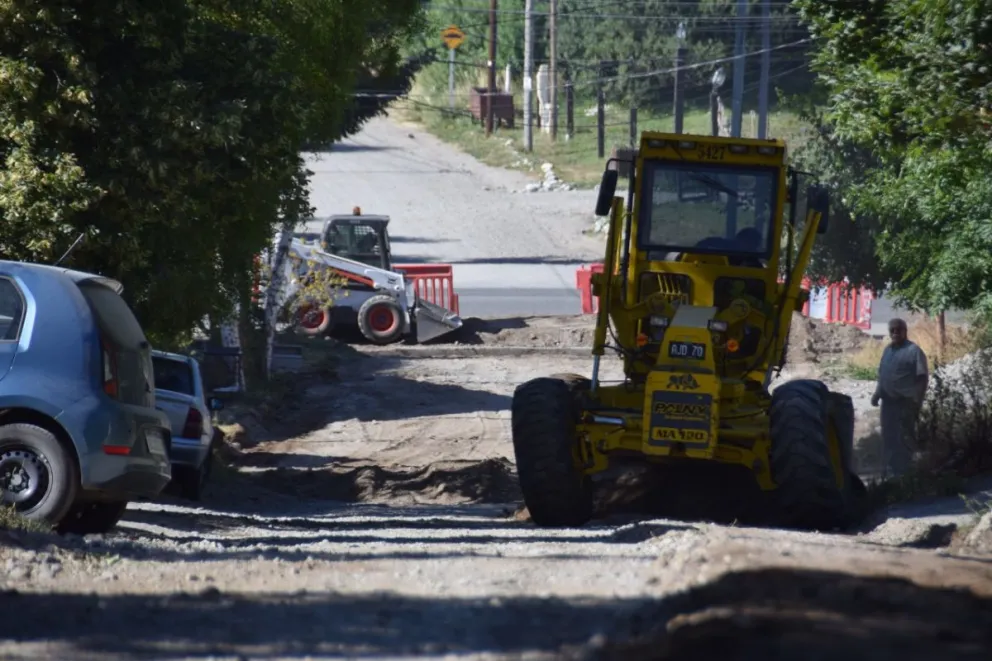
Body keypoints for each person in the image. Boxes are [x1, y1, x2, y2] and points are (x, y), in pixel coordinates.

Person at [870, 318, 929, 478]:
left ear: (905, 331)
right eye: (892, 330)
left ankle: (906, 475)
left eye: (899, 330)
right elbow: (883, 375)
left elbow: (922, 377)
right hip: (887, 403)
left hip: (906, 403)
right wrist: (877, 394)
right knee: (888, 436)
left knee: (904, 437)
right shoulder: (887, 351)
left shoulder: (913, 351)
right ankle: (889, 472)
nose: (895, 333)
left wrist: (918, 399)